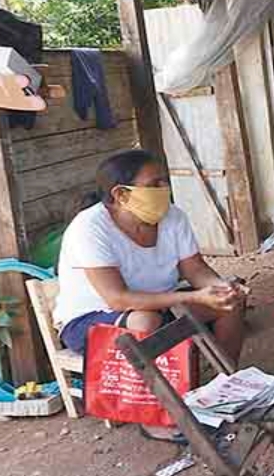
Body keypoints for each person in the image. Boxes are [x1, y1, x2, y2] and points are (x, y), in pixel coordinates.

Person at [54, 149, 249, 440]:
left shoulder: (173, 217)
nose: (163, 190)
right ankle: (153, 418)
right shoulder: (89, 227)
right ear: (121, 194)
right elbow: (117, 299)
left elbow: (194, 268)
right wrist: (193, 298)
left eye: (164, 182)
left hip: (158, 306)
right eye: (153, 184)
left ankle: (223, 391)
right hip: (89, 322)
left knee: (229, 304)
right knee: (144, 323)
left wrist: (219, 288)